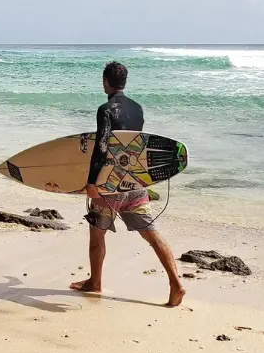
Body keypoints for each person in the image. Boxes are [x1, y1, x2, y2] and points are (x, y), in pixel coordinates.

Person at [69, 61, 186, 308]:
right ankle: (176, 283)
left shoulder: (105, 109)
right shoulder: (138, 109)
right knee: (152, 234)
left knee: (97, 236)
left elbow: (102, 147)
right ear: (125, 82)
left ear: (105, 82)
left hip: (110, 186)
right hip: (134, 184)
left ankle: (95, 282)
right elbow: (134, 146)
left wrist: (92, 183)